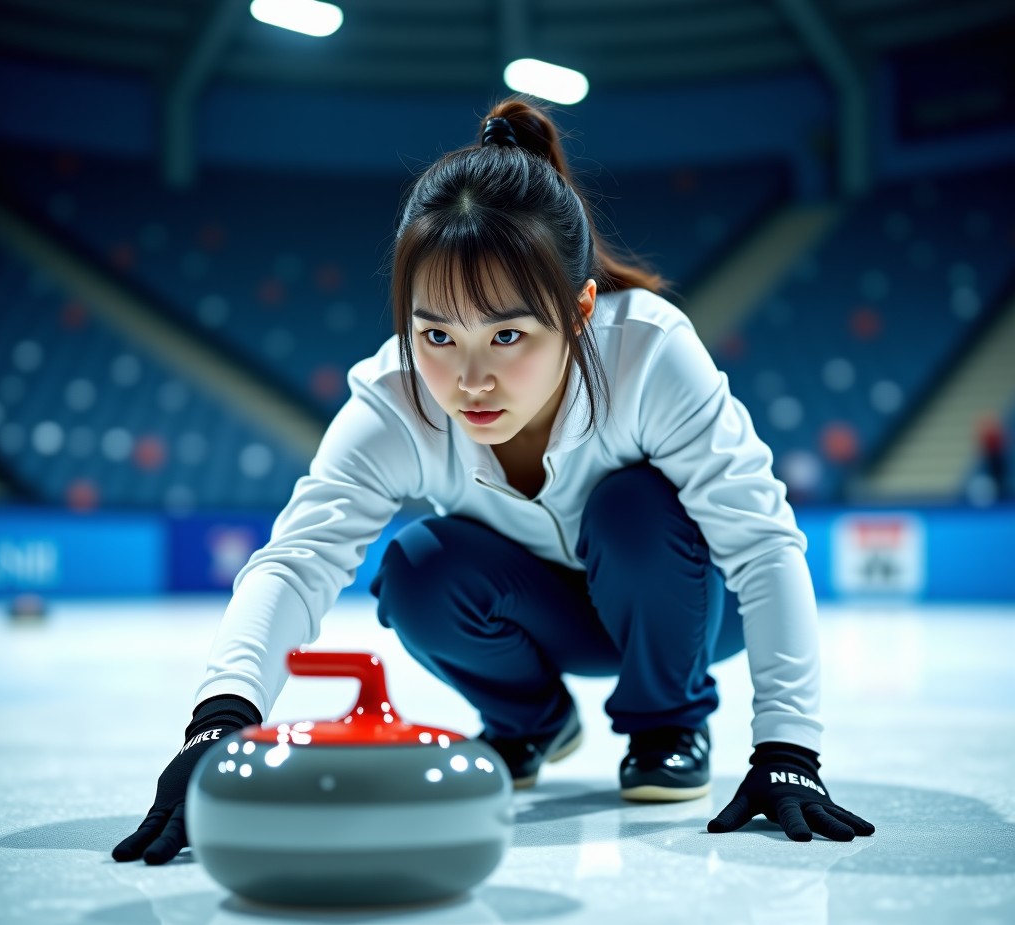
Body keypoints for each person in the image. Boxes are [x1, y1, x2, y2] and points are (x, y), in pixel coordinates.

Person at [113, 95, 874, 866]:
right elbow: (299, 560)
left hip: (698, 606)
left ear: (579, 311)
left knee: (633, 507)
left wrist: (788, 749)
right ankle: (531, 721)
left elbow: (764, 546)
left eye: (507, 334)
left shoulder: (648, 352)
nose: (469, 380)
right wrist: (220, 719)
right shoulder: (394, 398)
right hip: (547, 615)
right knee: (415, 567)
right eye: (436, 333)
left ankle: (667, 722)